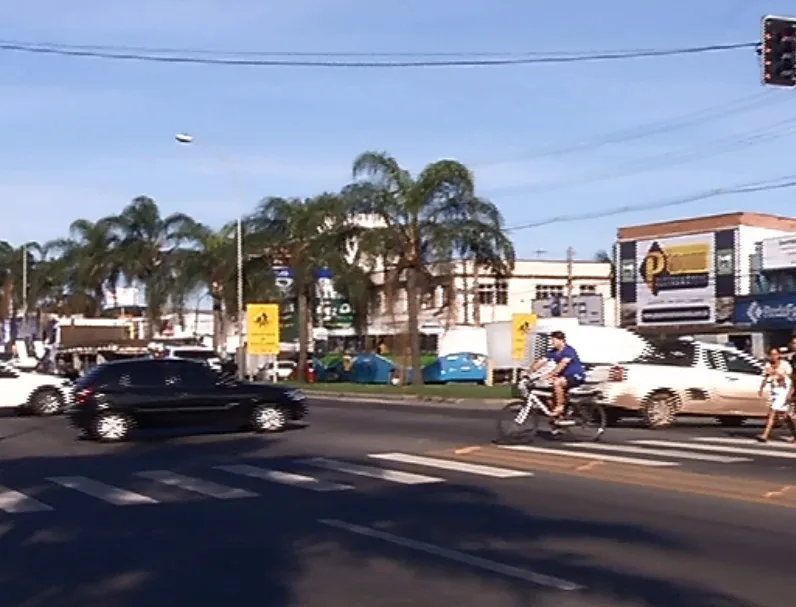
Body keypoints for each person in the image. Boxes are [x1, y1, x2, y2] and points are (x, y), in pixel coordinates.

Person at [528, 330, 586, 417]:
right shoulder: (553, 352)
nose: (552, 343)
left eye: (553, 340)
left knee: (557, 382)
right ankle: (558, 418)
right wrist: (529, 371)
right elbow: (541, 361)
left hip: (575, 376)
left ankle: (560, 406)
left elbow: (563, 364)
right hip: (564, 377)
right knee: (547, 394)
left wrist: (551, 374)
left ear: (561, 340)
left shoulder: (569, 350)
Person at [757, 346, 796, 443]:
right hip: (775, 390)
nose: (773, 357)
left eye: (775, 354)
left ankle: (765, 435)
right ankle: (795, 434)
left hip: (784, 390)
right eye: (771, 354)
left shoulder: (785, 364)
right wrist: (761, 388)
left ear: (779, 355)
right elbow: (766, 376)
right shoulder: (767, 365)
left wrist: (790, 393)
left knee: (773, 412)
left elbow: (791, 379)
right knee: (785, 416)